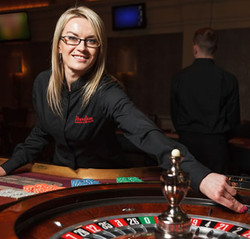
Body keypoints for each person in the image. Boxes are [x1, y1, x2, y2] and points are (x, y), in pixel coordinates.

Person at [0, 7, 246, 214]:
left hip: (105, 182)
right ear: (59, 45)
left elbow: (146, 134)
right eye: (72, 38)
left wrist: (200, 176)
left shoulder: (107, 90)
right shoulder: (43, 83)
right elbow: (40, 133)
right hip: (61, 179)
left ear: (99, 49)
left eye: (91, 40)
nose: (81, 47)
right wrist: (7, 167)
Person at [171, 27, 241, 175]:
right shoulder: (228, 79)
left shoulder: (179, 78)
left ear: (195, 48)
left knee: (186, 190)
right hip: (217, 147)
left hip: (186, 145)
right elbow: (234, 119)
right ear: (216, 48)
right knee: (217, 194)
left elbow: (174, 113)